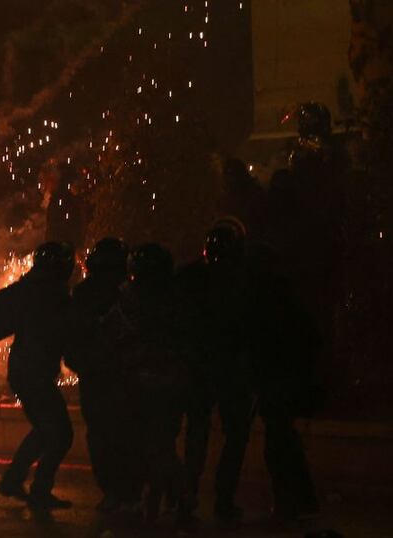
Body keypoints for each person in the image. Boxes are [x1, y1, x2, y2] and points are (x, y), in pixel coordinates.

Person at [0, 242, 75, 510]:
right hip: (32, 373)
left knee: (47, 430)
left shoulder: (34, 290)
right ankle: (36, 488)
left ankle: (14, 481)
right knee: (60, 432)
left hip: (28, 371)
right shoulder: (45, 293)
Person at [102, 243, 190, 524]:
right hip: (165, 385)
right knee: (161, 444)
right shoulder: (176, 301)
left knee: (146, 445)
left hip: (139, 386)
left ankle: (165, 498)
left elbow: (107, 336)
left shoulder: (127, 301)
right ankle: (172, 498)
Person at [176, 222, 257, 524]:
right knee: (234, 436)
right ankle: (222, 500)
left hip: (199, 367)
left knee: (197, 432)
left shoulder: (189, 277)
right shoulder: (245, 280)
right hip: (231, 369)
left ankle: (188, 496)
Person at [246, 242, 321, 522]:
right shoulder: (286, 299)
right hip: (284, 382)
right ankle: (298, 498)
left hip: (278, 383)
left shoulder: (270, 301)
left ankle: (289, 500)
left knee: (279, 444)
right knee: (284, 440)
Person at [66, 238, 135, 512]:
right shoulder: (129, 293)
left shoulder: (83, 294)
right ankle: (127, 492)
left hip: (96, 378)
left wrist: (81, 365)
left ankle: (113, 492)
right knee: (124, 436)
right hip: (122, 377)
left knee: (101, 437)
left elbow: (71, 341)